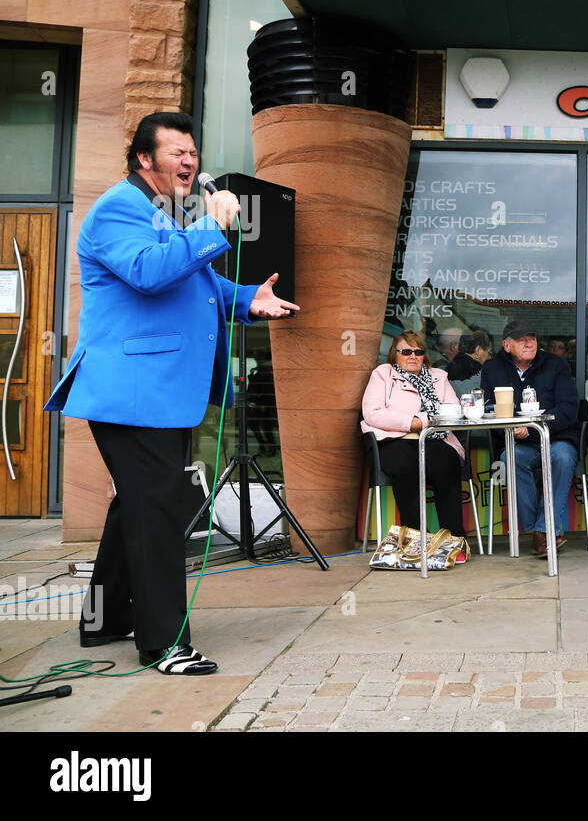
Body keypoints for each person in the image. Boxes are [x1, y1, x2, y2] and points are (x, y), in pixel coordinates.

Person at [44, 111, 298, 675]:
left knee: (138, 503)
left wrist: (247, 296)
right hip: (132, 393)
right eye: (176, 152)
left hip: (156, 394)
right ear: (144, 160)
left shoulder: (162, 213)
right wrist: (212, 229)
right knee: (158, 510)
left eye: (192, 151)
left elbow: (194, 285)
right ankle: (164, 642)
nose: (190, 161)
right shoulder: (117, 208)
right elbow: (150, 273)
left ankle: (105, 619)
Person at [479, 319, 579, 558]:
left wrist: (533, 428)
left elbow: (568, 409)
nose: (528, 343)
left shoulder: (557, 365)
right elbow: (487, 409)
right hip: (518, 442)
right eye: (521, 339)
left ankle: (542, 531)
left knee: (562, 457)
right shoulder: (492, 368)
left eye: (532, 338)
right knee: (510, 458)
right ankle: (543, 531)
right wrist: (513, 427)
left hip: (555, 438)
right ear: (506, 345)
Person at [361, 330, 468, 546]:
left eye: (418, 351)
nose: (413, 356)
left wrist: (423, 421)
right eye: (406, 351)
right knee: (404, 464)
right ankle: (418, 537)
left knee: (446, 463)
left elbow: (453, 408)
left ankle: (454, 540)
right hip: (394, 439)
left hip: (434, 439)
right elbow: (372, 413)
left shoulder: (439, 376)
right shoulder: (383, 374)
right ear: (395, 353)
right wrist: (411, 422)